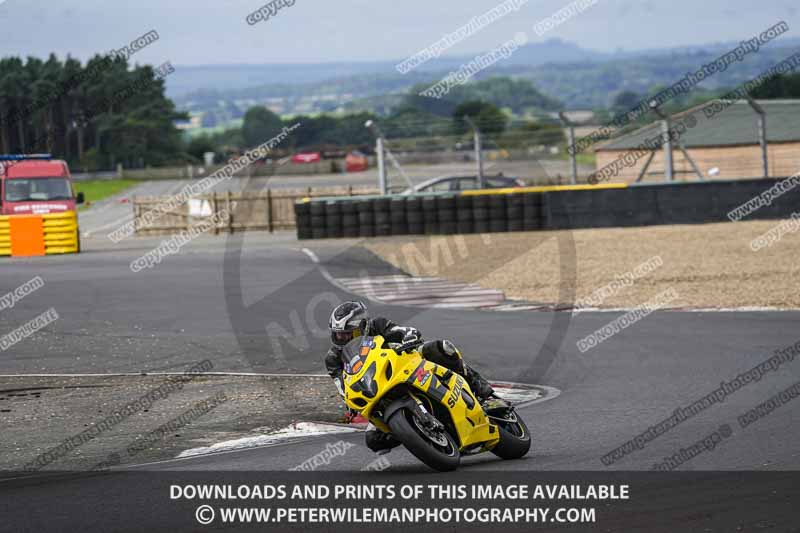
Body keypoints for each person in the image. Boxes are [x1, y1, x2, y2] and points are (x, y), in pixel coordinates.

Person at [324, 300, 506, 453]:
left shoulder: (377, 325)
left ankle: (484, 394)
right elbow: (342, 386)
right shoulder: (333, 359)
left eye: (348, 334)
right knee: (373, 439)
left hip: (405, 364)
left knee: (443, 349)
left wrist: (408, 336)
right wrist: (351, 404)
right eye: (338, 335)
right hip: (376, 389)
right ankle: (416, 433)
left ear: (362, 326)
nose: (343, 339)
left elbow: (401, 331)